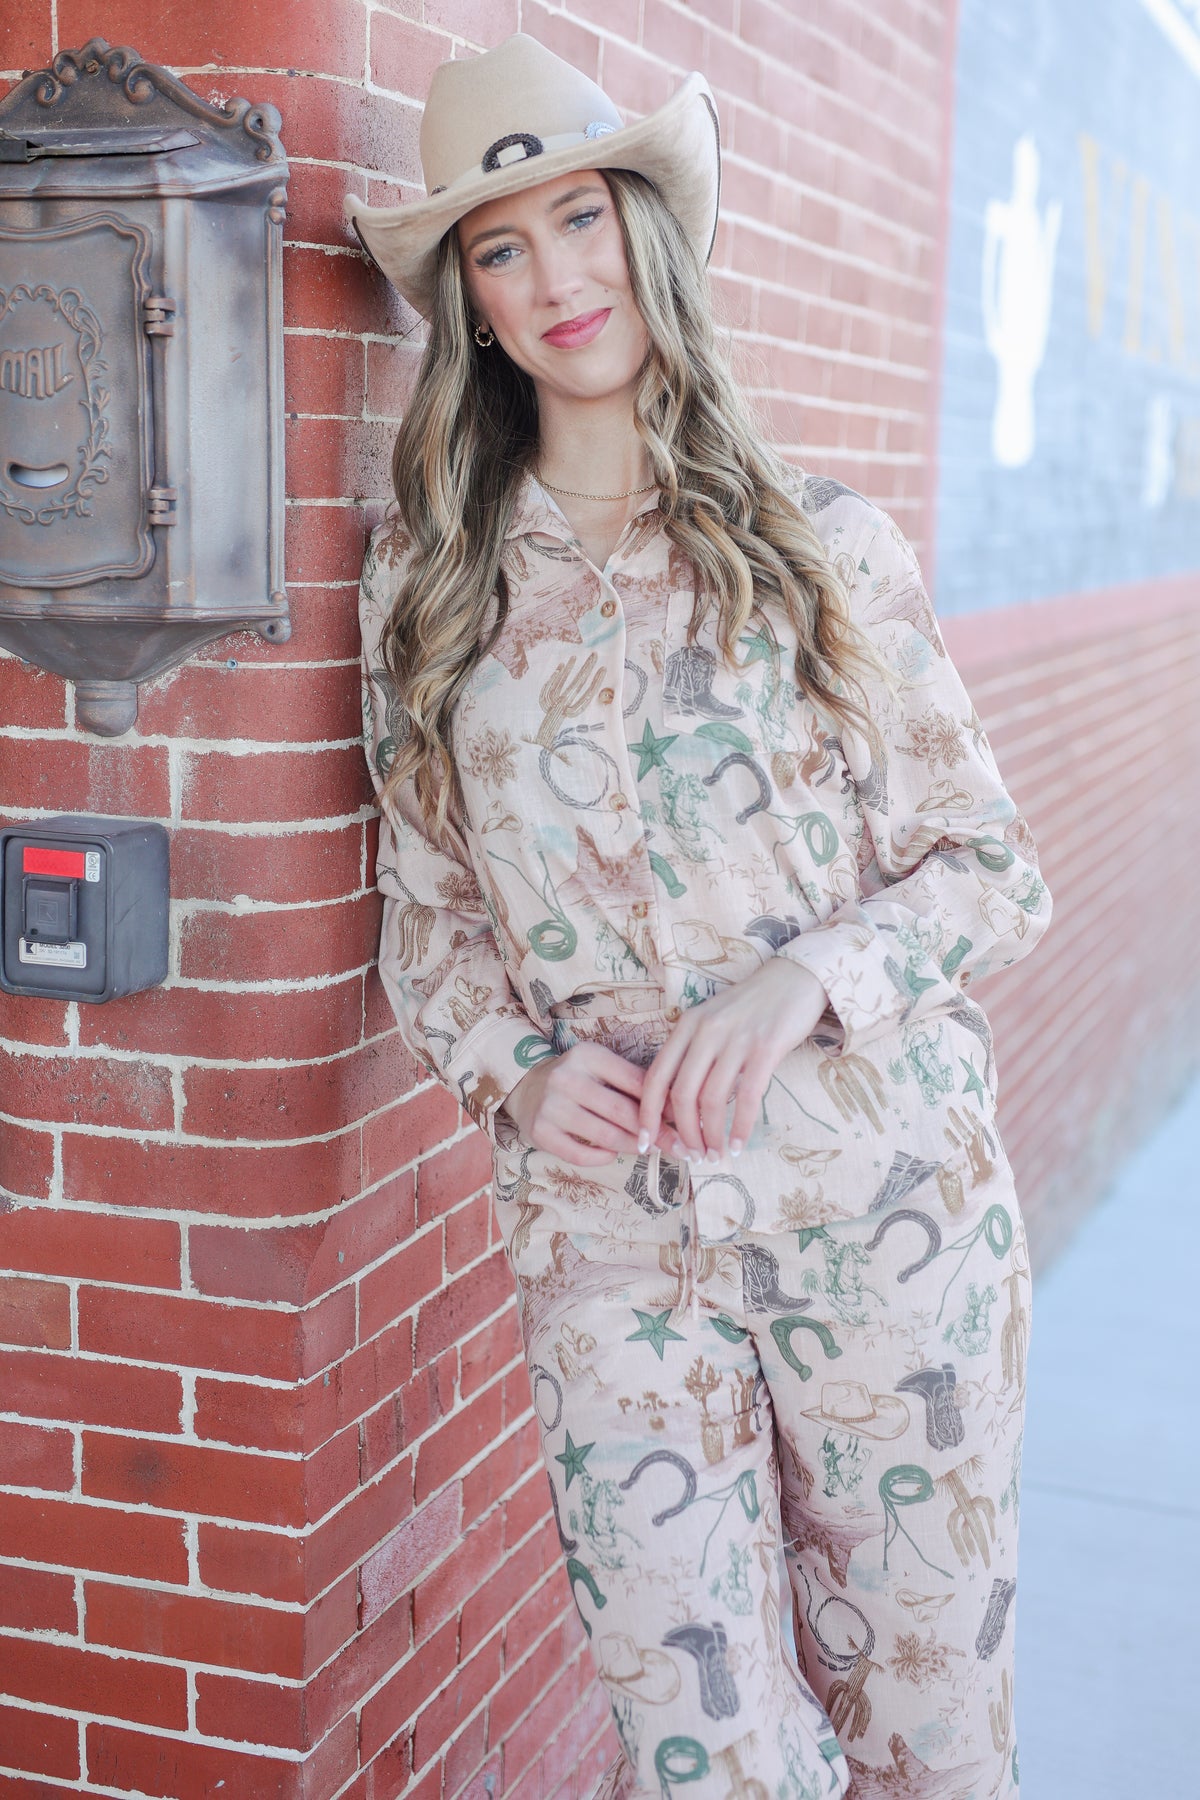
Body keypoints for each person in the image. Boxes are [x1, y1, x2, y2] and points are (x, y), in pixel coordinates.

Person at [347, 33, 1052, 1800]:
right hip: (610, 1254)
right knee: (697, 1745)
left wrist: (805, 984)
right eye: (500, 250)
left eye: (576, 218)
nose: (552, 277)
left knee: (929, 1734)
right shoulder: (432, 588)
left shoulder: (828, 550)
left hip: (884, 1213)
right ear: (472, 305)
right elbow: (425, 923)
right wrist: (515, 1066)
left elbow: (991, 869)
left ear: (644, 229)